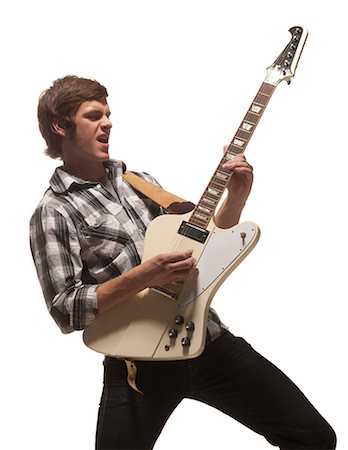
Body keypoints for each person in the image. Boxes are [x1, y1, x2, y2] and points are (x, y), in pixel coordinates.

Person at [30, 75, 336, 450]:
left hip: (208, 341)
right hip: (137, 366)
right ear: (61, 126)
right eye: (94, 115)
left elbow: (200, 249)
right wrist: (145, 276)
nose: (107, 122)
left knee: (314, 438)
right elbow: (65, 310)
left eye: (108, 114)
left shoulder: (139, 182)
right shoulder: (55, 211)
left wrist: (236, 198)